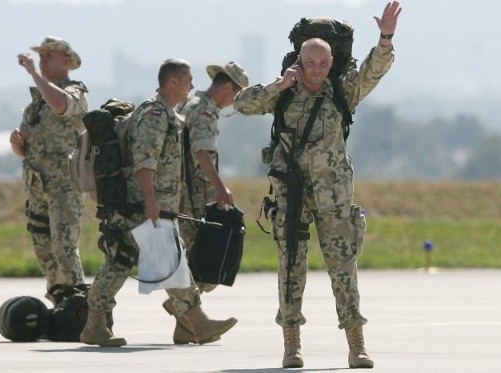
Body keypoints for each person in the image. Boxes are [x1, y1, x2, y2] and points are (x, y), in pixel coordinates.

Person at [233, 1, 401, 369]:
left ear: (331, 64)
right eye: (310, 63)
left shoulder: (342, 93)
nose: (317, 70)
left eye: (323, 64)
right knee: (290, 269)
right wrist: (280, 84)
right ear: (299, 61)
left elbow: (375, 70)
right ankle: (291, 345)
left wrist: (385, 37)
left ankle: (356, 344)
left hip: (334, 196)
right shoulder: (284, 93)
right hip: (292, 195)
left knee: (344, 269)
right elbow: (242, 103)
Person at [80, 58, 237, 347]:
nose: (193, 86)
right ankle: (196, 322)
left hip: (148, 203)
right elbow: (145, 162)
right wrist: (151, 202)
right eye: (188, 80)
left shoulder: (166, 113)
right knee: (171, 261)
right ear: (172, 82)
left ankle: (95, 324)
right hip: (145, 205)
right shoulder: (154, 114)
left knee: (119, 261)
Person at [165, 61, 248, 344]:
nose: (232, 101)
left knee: (195, 260)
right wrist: (220, 187)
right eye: (235, 95)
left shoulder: (191, 104)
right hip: (194, 196)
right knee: (204, 262)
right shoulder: (206, 110)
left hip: (182, 193)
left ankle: (184, 323)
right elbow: (202, 152)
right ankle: (183, 306)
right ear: (227, 88)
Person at [9, 36, 90, 304]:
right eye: (40, 56)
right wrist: (18, 146)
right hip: (37, 187)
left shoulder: (75, 91)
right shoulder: (37, 101)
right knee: (43, 249)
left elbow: (62, 105)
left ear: (66, 62)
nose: (42, 61)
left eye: (48, 56)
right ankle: (60, 301)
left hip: (64, 186)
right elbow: (29, 149)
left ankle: (79, 305)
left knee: (64, 247)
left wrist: (33, 72)